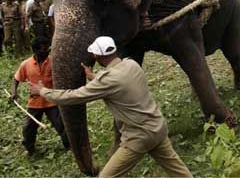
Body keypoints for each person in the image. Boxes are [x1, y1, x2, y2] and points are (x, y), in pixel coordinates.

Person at [29, 36, 192, 177]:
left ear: (99, 56)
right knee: (179, 171)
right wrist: (94, 77)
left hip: (138, 138)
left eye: (94, 53)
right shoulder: (131, 65)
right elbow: (119, 83)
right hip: (157, 128)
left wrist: (43, 91)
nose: (93, 55)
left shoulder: (107, 80)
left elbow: (73, 96)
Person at [10, 37, 69, 156]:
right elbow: (16, 79)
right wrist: (14, 92)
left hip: (51, 100)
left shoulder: (53, 61)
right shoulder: (26, 64)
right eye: (43, 49)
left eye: (47, 48)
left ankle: (69, 147)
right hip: (35, 102)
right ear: (35, 51)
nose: (47, 51)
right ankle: (29, 149)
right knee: (28, 128)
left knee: (61, 125)